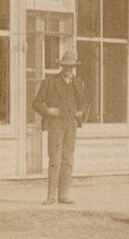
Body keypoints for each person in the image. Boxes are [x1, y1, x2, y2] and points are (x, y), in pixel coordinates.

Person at [31, 50, 89, 205]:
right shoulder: (50, 82)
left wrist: (80, 112)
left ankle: (63, 195)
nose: (69, 69)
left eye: (72, 67)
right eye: (66, 66)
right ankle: (51, 196)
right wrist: (48, 111)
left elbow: (84, 103)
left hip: (71, 125)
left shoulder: (78, 82)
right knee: (55, 159)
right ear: (61, 66)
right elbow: (36, 103)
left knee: (68, 160)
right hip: (56, 125)